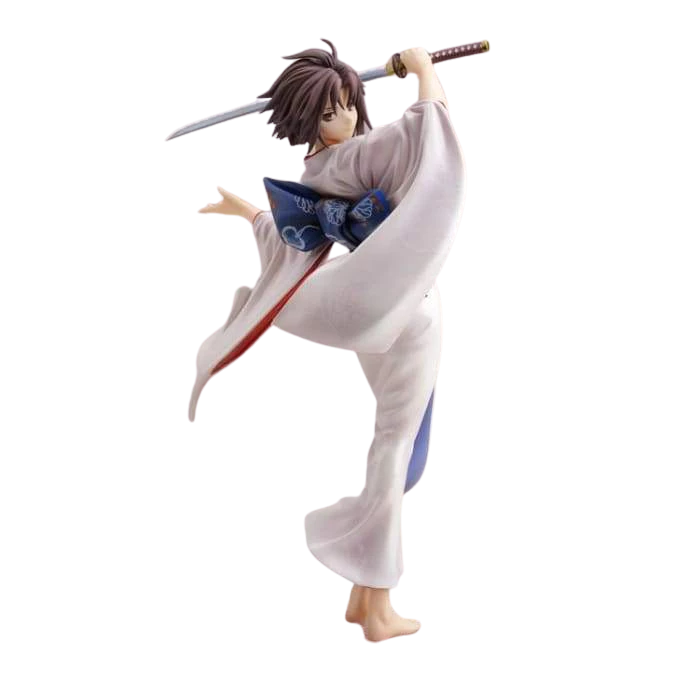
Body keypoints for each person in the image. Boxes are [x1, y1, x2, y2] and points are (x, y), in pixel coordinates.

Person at [194, 40, 467, 644]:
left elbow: (299, 240)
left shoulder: (316, 170)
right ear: (304, 120)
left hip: (385, 318)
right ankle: (377, 611)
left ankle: (364, 597)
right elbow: (427, 140)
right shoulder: (353, 157)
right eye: (327, 111)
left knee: (396, 446)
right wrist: (424, 74)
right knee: (397, 452)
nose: (343, 117)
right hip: (407, 317)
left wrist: (247, 213)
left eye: (347, 103)